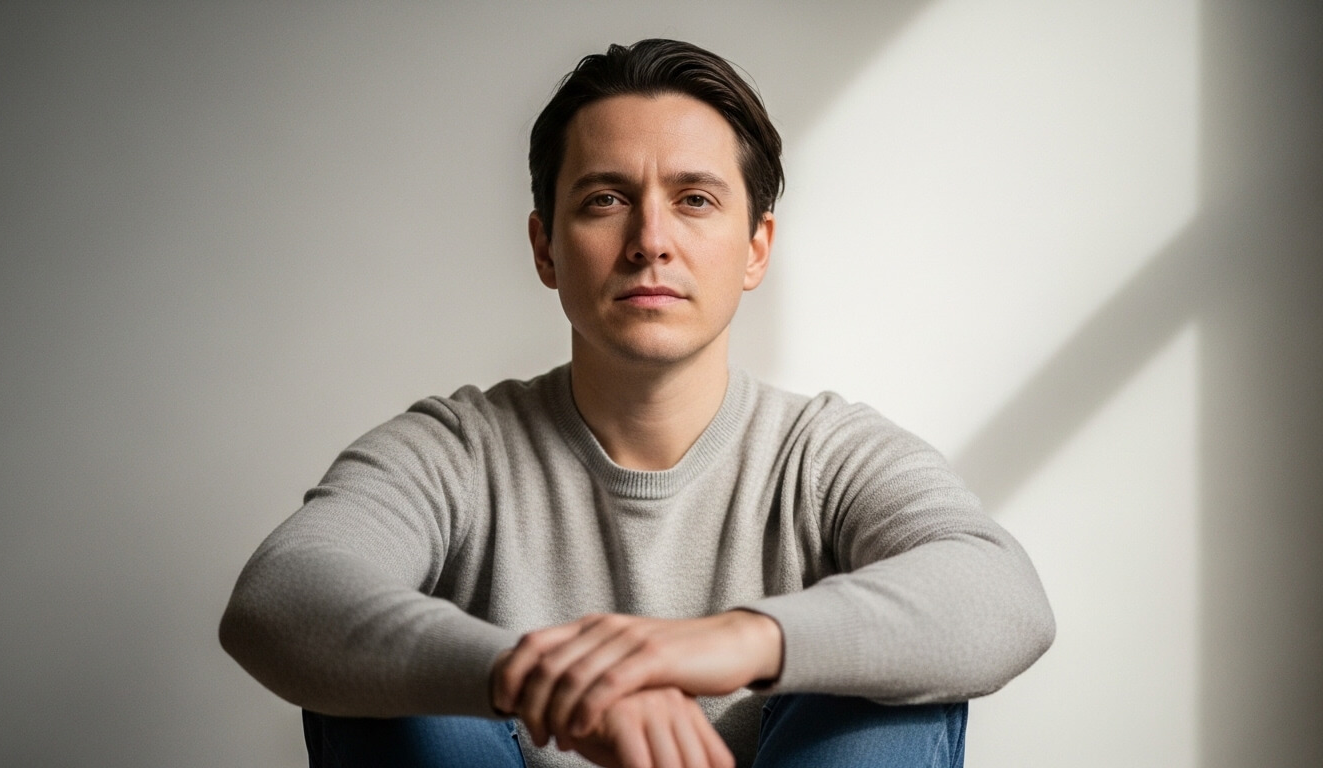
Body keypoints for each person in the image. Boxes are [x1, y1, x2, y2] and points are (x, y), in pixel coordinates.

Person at [220, 38, 1055, 768]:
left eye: (694, 199)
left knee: (891, 684)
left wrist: (729, 642)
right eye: (606, 199)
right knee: (387, 688)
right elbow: (282, 597)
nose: (650, 239)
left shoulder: (824, 452)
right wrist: (547, 678)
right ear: (546, 247)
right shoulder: (457, 450)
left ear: (756, 246)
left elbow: (1001, 594)